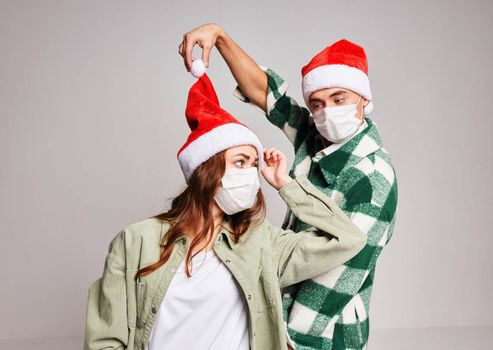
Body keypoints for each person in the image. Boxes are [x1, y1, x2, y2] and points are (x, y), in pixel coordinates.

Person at [83, 73, 366, 350]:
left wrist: (285, 184)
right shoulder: (135, 242)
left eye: (253, 165)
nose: (251, 175)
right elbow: (105, 341)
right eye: (240, 162)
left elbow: (349, 239)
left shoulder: (260, 242)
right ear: (205, 169)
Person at [179, 24, 398, 350]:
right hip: (282, 306)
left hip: (322, 333)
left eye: (339, 99)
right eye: (318, 103)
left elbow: (342, 272)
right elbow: (267, 95)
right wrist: (220, 37)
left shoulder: (374, 179)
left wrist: (290, 338)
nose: (327, 112)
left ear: (364, 99)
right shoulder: (318, 138)